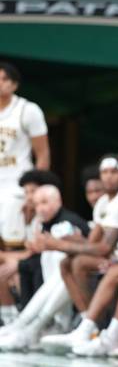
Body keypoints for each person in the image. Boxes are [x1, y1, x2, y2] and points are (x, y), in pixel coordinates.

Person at [39, 154, 118, 350]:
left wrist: (59, 245)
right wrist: (70, 241)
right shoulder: (103, 202)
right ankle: (87, 325)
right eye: (104, 172)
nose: (108, 177)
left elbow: (104, 248)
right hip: (113, 259)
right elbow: (93, 242)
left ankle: (93, 327)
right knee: (67, 262)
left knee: (79, 262)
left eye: (114, 172)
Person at [0, 185, 89, 350]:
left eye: (45, 203)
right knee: (43, 263)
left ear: (58, 201)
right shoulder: (43, 224)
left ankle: (42, 325)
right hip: (63, 280)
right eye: (37, 204)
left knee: (60, 261)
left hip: (85, 277)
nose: (40, 209)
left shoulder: (66, 222)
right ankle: (25, 324)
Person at [0, 62, 51, 249]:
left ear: (14, 84)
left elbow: (43, 154)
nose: (0, 83)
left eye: (4, 79)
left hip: (17, 186)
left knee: (15, 243)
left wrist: (35, 193)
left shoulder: (28, 110)